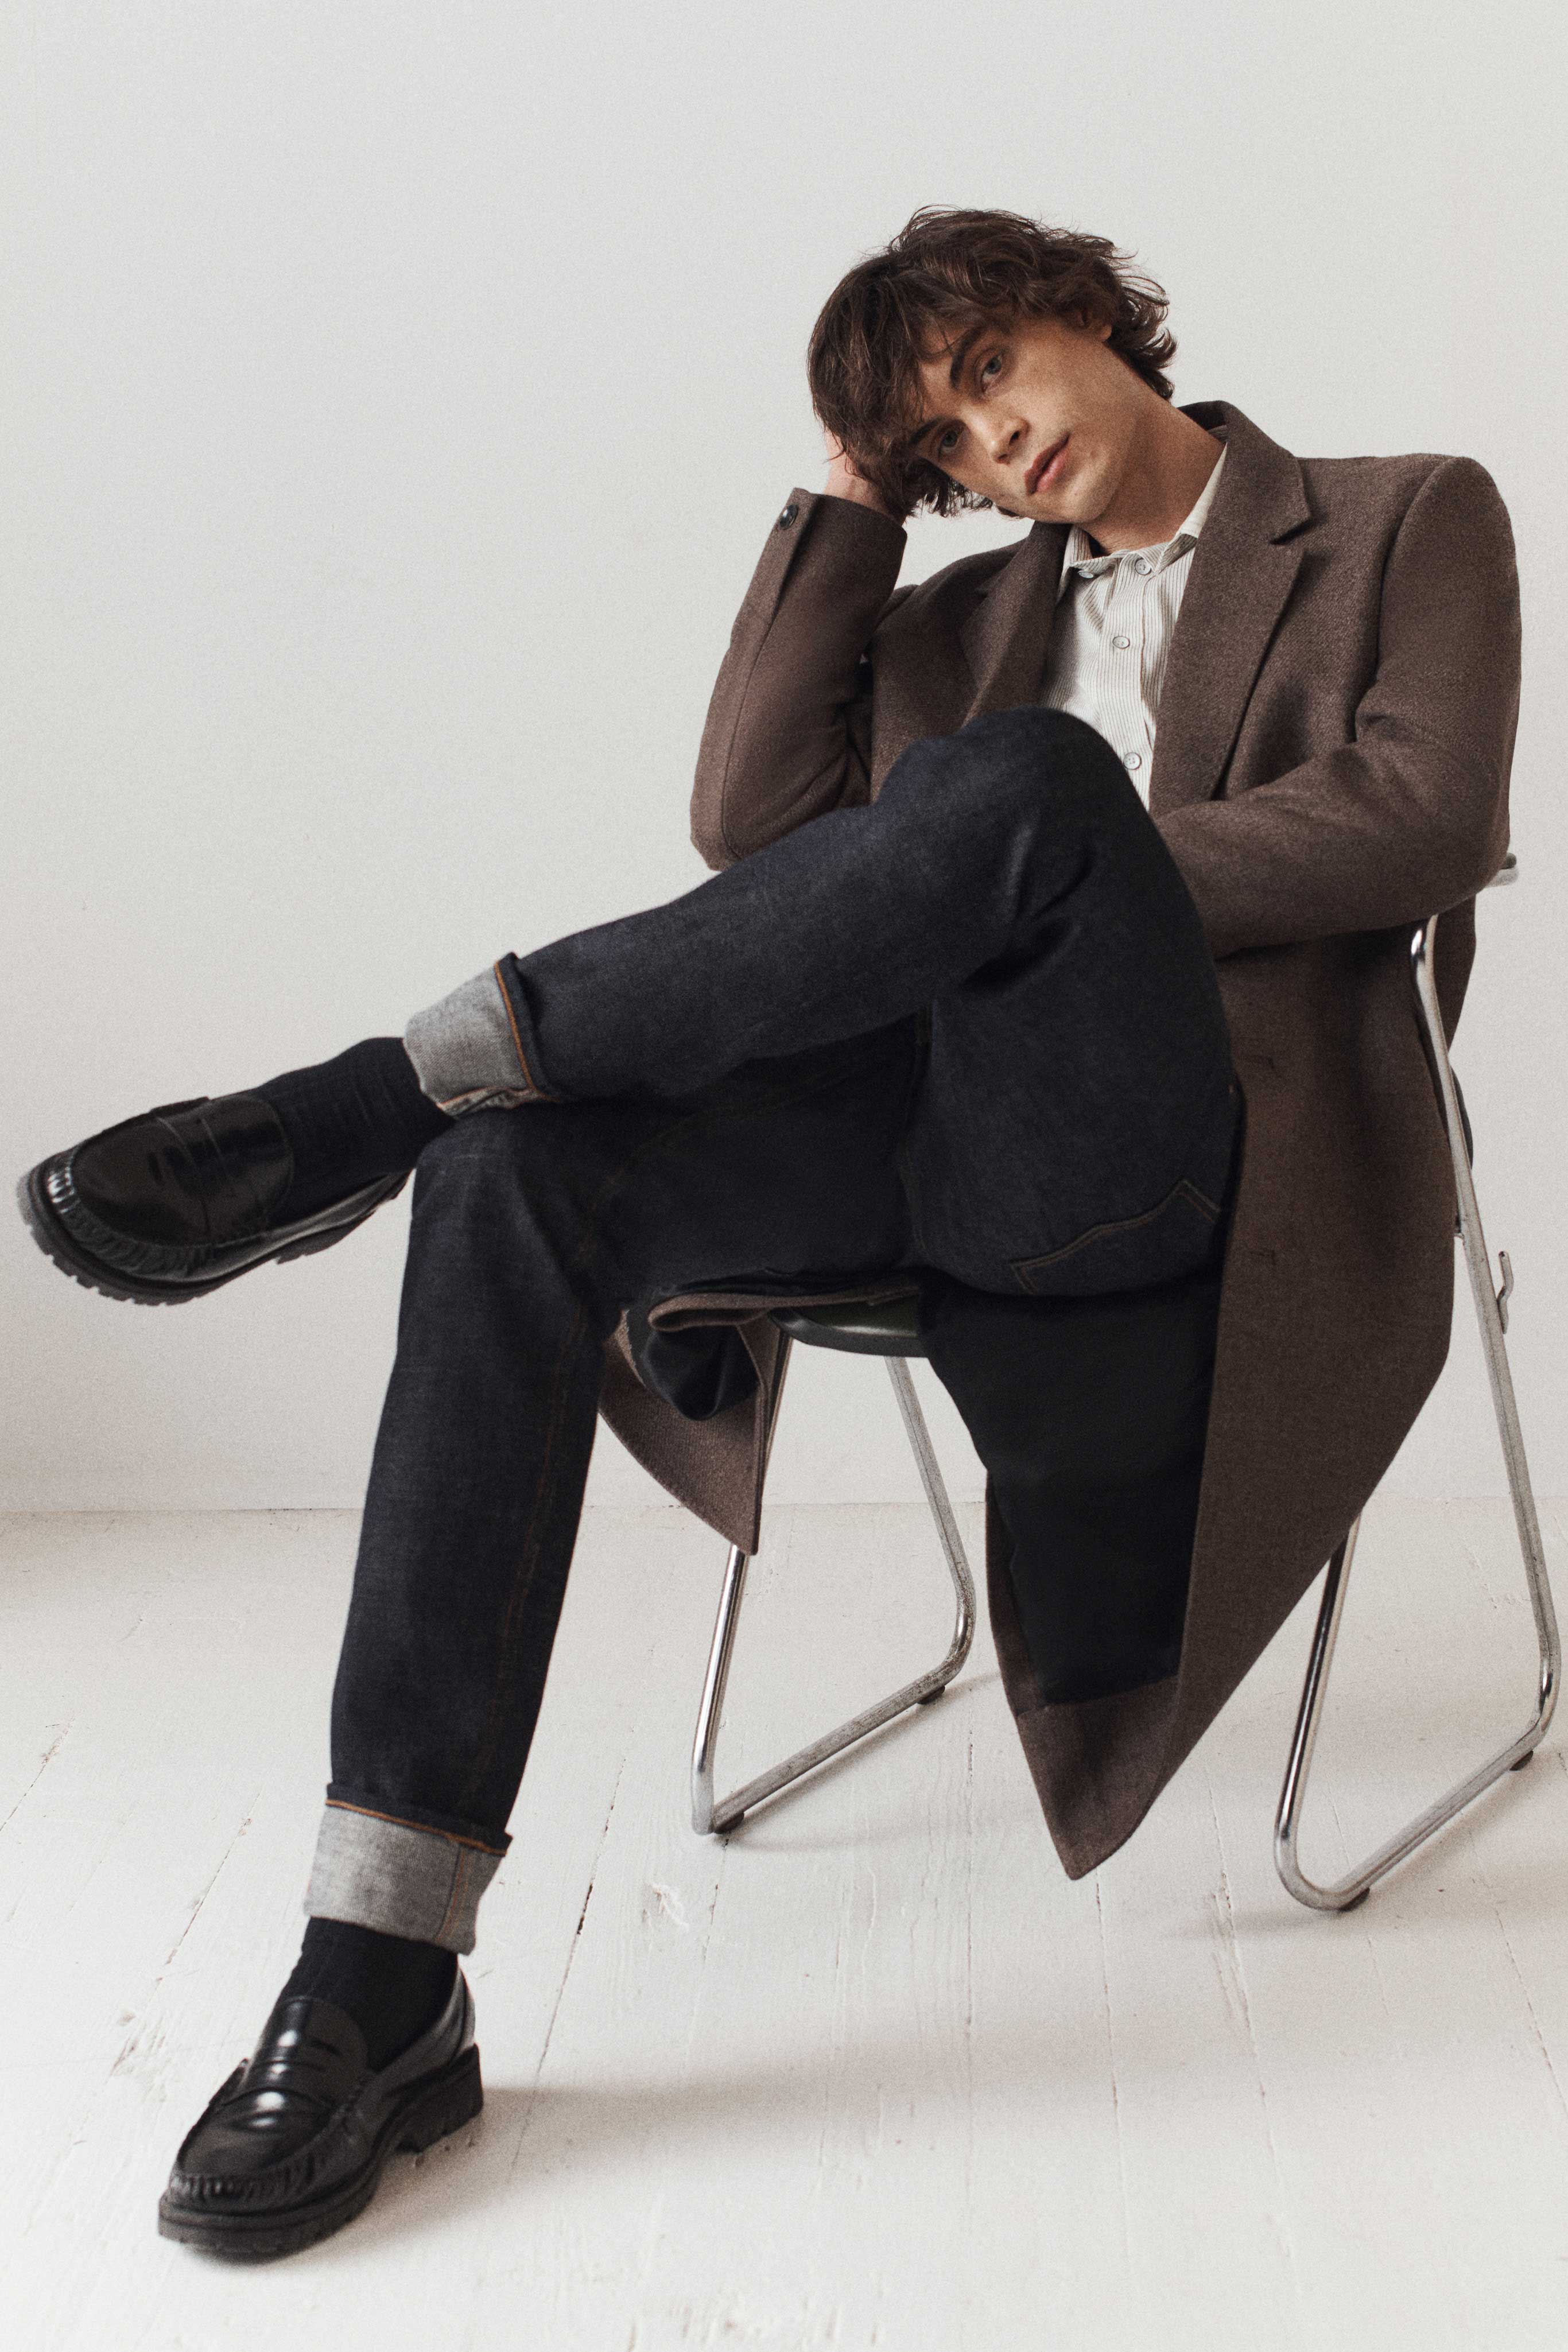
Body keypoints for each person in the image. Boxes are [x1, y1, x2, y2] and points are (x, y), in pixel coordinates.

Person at [17, 205, 1519, 2260]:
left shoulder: (1406, 517)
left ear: (1090, 311)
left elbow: (1424, 812)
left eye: (992, 372)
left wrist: (1049, 867)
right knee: (510, 1180)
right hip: (926, 1147)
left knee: (1030, 792)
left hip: (1190, 1165)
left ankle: (372, 1092)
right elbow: (747, 823)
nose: (994, 443)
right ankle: (380, 1969)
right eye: (947, 444)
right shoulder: (961, 613)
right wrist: (852, 498)